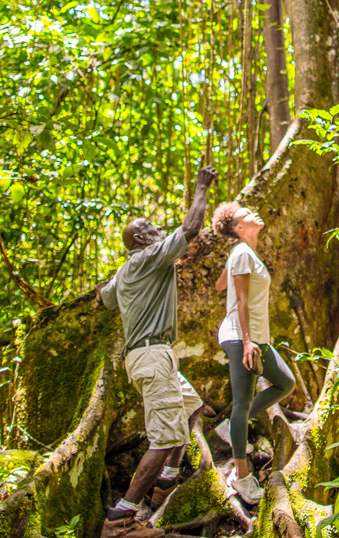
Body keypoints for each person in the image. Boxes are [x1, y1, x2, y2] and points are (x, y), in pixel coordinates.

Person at [95, 166, 217, 538]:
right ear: (143, 239)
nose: (157, 228)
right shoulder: (148, 258)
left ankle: (165, 483)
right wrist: (200, 187)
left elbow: (103, 300)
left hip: (151, 357)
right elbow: (191, 229)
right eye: (150, 226)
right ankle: (120, 518)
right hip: (151, 357)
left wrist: (106, 285)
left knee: (191, 406)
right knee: (163, 438)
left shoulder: (125, 271)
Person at [211, 201, 296, 505]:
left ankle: (231, 426)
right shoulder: (242, 253)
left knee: (285, 383)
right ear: (238, 228)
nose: (255, 213)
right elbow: (242, 301)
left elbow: (222, 286)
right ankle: (242, 477)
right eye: (247, 215)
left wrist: (231, 262)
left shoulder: (244, 254)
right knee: (242, 403)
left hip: (257, 337)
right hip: (241, 337)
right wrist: (248, 342)